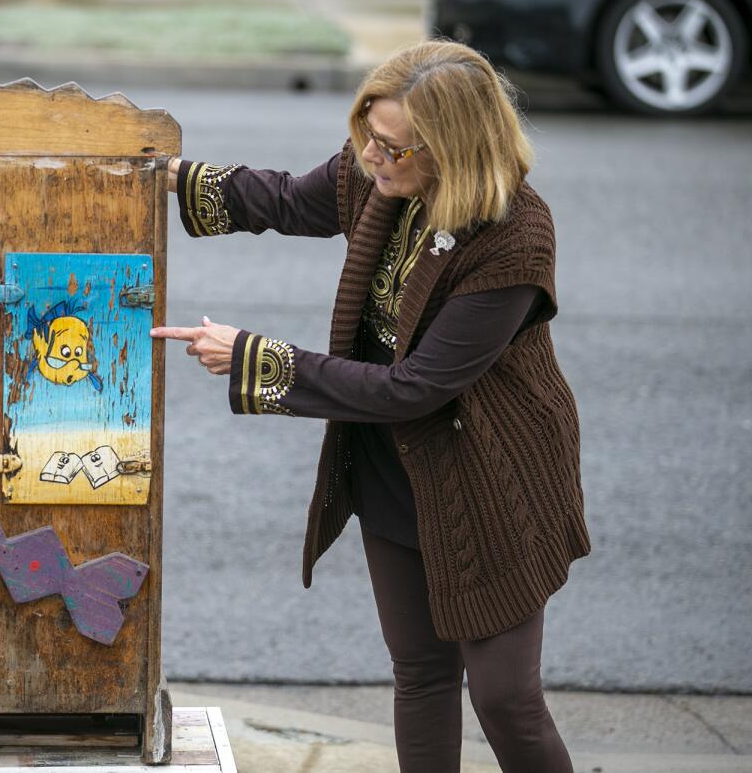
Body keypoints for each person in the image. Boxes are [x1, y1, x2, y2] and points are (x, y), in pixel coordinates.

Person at [150, 40, 591, 773]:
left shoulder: (515, 237)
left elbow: (417, 386)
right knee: (420, 673)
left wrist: (257, 358)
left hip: (491, 477)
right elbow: (290, 198)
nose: (370, 158)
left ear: (451, 149)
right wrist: (167, 178)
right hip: (396, 459)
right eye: (367, 136)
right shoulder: (381, 169)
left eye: (390, 148)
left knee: (505, 697)